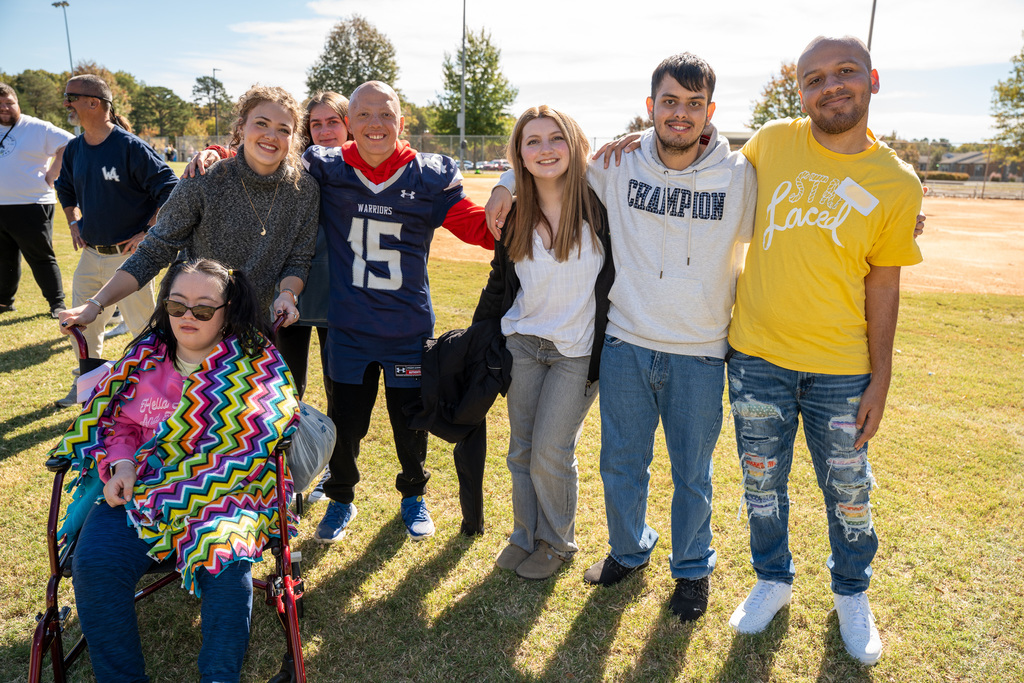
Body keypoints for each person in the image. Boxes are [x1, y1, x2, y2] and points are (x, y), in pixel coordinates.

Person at [487, 54, 756, 619]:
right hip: (626, 342)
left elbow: (792, 219)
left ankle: (691, 570)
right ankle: (629, 552)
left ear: (711, 110)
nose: (679, 114)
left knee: (692, 474)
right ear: (651, 106)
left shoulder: (740, 177)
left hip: (700, 352)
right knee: (622, 465)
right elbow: (550, 160)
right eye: (668, 102)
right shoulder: (620, 165)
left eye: (692, 103)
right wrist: (505, 182)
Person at [724, 36, 922, 666]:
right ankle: (773, 579)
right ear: (800, 92)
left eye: (845, 72)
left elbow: (884, 281)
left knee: (849, 490)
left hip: (842, 368)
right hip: (757, 355)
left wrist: (880, 377)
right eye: (814, 79)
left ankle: (852, 592)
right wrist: (629, 142)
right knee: (762, 484)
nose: (830, 86)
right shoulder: (772, 142)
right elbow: (698, 161)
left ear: (873, 80)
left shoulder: (896, 182)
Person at [52, 258, 298, 683]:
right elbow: (117, 425)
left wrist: (204, 482)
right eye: (177, 305)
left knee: (227, 561)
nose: (187, 317)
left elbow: (268, 431)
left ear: (227, 312)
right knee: (95, 561)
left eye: (203, 310)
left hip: (224, 495)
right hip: (141, 493)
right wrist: (123, 466)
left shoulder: (255, 363)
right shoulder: (142, 359)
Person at [302, 81, 497, 543]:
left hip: (407, 330)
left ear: (401, 122)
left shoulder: (426, 175)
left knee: (412, 421)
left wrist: (512, 200)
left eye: (385, 114)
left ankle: (413, 495)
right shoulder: (326, 168)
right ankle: (341, 497)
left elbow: (476, 227)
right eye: (364, 114)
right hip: (348, 330)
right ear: (348, 123)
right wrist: (215, 153)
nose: (375, 124)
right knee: (345, 423)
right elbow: (264, 168)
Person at [183, 90, 351, 505]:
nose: (326, 130)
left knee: (339, 392)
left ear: (350, 125)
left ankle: (335, 476)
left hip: (337, 299)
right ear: (307, 133)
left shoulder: (367, 164)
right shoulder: (304, 165)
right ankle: (277, 474)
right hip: (286, 298)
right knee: (280, 391)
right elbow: (256, 152)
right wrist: (214, 151)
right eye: (317, 123)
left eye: (335, 121)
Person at [58, 84, 319, 346]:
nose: (271, 135)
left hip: (251, 327)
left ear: (294, 138)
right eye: (261, 123)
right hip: (187, 324)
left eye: (284, 129)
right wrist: (95, 304)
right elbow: (154, 251)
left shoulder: (304, 190)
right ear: (241, 127)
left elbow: (298, 258)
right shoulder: (205, 179)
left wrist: (287, 294)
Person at [473, 106, 613, 579]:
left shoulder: (599, 197)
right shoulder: (514, 211)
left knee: (552, 450)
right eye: (532, 141)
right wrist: (504, 186)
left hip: (577, 350)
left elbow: (646, 148)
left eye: (556, 138)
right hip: (525, 344)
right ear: (519, 154)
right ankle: (523, 535)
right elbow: (501, 280)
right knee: (521, 449)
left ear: (574, 143)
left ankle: (556, 542)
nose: (545, 149)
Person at [54, 74, 177, 405]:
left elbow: (170, 187)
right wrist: (72, 220)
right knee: (83, 327)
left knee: (143, 329)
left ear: (94, 103)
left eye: (71, 97)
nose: (66, 103)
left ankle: (153, 389)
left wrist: (147, 231)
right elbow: (63, 186)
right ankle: (88, 384)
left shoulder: (130, 147)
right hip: (90, 255)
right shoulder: (75, 148)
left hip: (130, 259)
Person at [0, 82, 74, 318]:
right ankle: (3, 301)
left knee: (41, 257)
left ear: (17, 102)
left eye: (9, 103)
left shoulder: (37, 127)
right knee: (4, 258)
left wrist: (53, 173)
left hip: (32, 204)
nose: (4, 108)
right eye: (0, 104)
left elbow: (70, 143)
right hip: (1, 206)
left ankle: (56, 304)